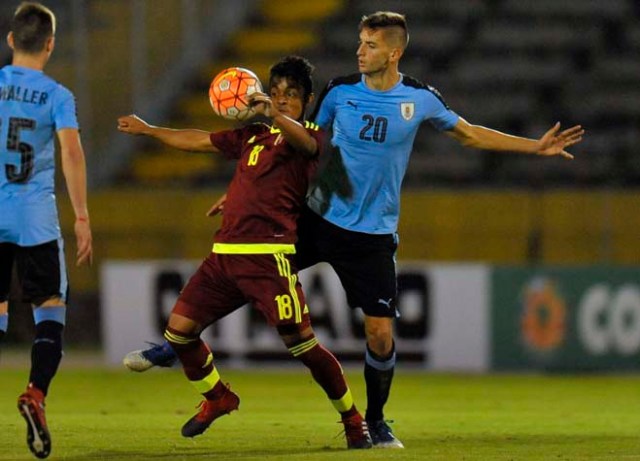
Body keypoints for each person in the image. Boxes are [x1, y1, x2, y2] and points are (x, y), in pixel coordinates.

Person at [125, 12, 585, 449]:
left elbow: (467, 133)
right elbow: (300, 141)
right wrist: (251, 190)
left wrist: (533, 147)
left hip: (372, 235)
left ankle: (377, 419)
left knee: (380, 335)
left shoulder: (420, 99)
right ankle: (177, 345)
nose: (359, 51)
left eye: (369, 45)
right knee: (249, 269)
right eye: (359, 43)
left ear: (393, 53)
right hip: (318, 217)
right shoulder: (340, 91)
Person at [117, 55, 372, 449]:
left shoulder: (314, 136)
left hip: (268, 259)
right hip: (224, 256)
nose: (281, 99)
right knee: (179, 331)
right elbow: (198, 139)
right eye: (276, 93)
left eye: (291, 95)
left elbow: (302, 143)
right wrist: (151, 131)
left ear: (305, 102)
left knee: (303, 346)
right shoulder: (252, 135)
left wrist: (275, 115)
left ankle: (354, 419)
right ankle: (218, 397)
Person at [0, 2, 93, 459]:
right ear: (51, 45)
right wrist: (81, 217)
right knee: (49, 309)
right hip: (36, 221)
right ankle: (35, 393)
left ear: (12, 40)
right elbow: (72, 154)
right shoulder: (57, 95)